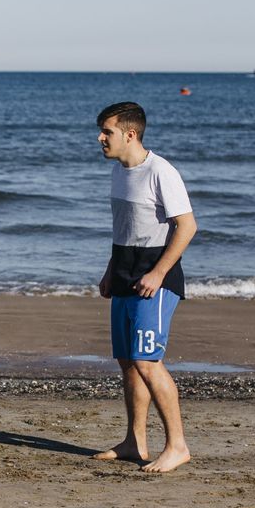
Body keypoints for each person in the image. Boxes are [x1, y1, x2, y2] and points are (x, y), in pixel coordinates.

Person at [93, 101, 197, 473]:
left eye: (107, 131)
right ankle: (134, 442)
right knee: (128, 364)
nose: (100, 137)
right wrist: (110, 271)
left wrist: (157, 274)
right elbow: (124, 229)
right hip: (124, 275)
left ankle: (178, 446)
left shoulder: (161, 172)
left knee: (147, 361)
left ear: (130, 134)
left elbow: (187, 227)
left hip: (155, 279)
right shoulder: (120, 172)